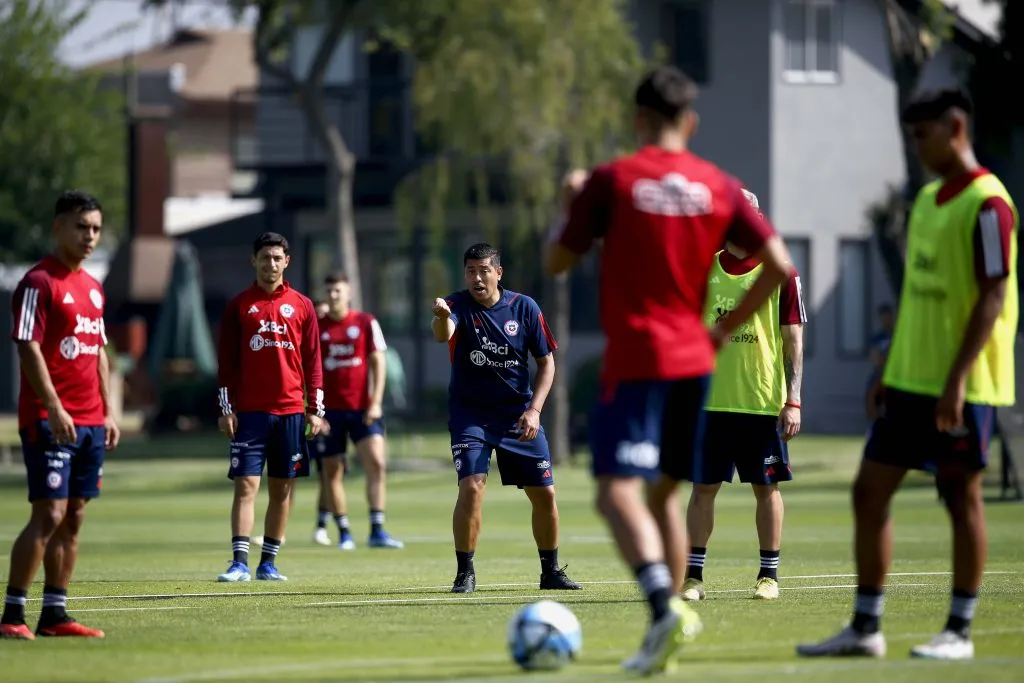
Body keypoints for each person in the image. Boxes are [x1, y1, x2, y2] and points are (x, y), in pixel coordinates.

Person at [545, 66, 792, 674]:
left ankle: (664, 608)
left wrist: (569, 203)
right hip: (696, 367)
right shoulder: (719, 186)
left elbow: (555, 261)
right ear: (692, 121)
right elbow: (781, 264)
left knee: (614, 492)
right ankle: (670, 629)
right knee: (664, 498)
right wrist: (725, 331)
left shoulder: (614, 180)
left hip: (637, 361)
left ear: (637, 121)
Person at [797, 88, 1018, 660]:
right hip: (909, 381)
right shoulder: (924, 202)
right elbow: (918, 300)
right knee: (869, 493)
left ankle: (960, 631)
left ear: (957, 127)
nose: (917, 146)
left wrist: (957, 379)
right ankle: (866, 628)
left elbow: (993, 297)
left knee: (960, 496)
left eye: (925, 135)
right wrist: (888, 369)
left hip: (962, 386)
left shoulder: (990, 205)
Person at [1, 190, 119, 640]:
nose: (89, 236)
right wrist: (53, 406)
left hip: (91, 422)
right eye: (80, 227)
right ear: (58, 228)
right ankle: (12, 614)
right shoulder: (38, 283)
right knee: (48, 513)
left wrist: (108, 412)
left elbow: (100, 353)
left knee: (74, 516)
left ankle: (55, 614)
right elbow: (27, 345)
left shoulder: (93, 287)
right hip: (51, 420)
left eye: (95, 228)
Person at [431, 243, 582, 595]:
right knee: (471, 486)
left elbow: (546, 364)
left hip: (518, 417)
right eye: (470, 271)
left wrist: (534, 410)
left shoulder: (524, 307)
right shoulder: (455, 305)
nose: (476, 277)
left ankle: (550, 572)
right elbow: (444, 334)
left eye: (484, 270)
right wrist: (440, 316)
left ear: (499, 273)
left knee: (545, 494)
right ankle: (464, 573)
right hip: (471, 417)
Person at [681, 187, 807, 603]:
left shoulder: (782, 273)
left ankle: (768, 576)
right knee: (702, 490)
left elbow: (793, 340)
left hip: (761, 402)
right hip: (710, 404)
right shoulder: (703, 269)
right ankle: (693, 577)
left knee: (766, 488)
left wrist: (793, 398)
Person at [215, 232, 324, 583]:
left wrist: (315, 409)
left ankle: (268, 564)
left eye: (277, 258)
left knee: (282, 490)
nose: (271, 264)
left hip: (291, 413)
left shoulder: (303, 306)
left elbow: (313, 362)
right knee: (246, 486)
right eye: (265, 258)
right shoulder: (239, 305)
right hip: (249, 414)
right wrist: (226, 408)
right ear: (254, 260)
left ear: (286, 261)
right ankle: (239, 563)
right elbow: (226, 363)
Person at [311, 272, 403, 549]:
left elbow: (379, 363)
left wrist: (375, 402)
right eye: (329, 291)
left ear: (349, 293)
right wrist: (314, 410)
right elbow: (307, 369)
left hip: (363, 410)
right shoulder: (316, 326)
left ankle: (377, 529)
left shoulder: (365, 322)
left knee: (376, 462)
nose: (334, 295)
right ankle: (344, 531)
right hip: (330, 414)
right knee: (332, 472)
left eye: (338, 290)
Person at [865, 304, 894, 419]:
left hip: (893, 374)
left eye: (887, 317)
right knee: (871, 391)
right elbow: (874, 357)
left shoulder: (896, 335)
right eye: (883, 317)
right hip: (879, 373)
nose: (885, 320)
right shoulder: (877, 338)